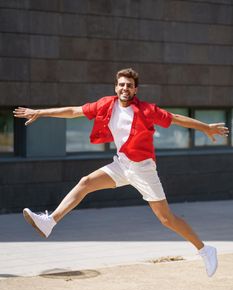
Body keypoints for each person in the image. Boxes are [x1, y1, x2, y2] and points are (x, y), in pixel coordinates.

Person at [14, 68, 229, 277]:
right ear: (116, 87)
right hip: (122, 164)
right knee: (86, 182)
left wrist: (205, 128)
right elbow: (74, 111)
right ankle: (49, 222)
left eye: (130, 85)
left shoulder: (146, 110)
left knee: (166, 219)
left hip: (143, 170)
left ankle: (204, 249)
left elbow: (175, 118)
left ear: (135, 90)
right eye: (122, 84)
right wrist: (40, 112)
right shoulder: (106, 104)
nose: (125, 88)